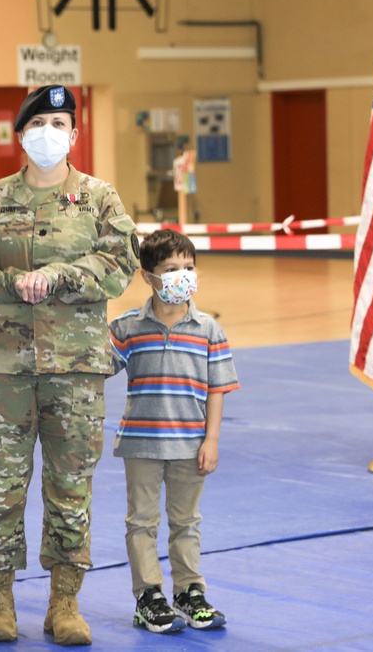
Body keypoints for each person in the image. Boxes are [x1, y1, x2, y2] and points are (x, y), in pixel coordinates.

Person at [0, 84, 140, 645]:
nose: (50, 132)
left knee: (70, 484)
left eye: (61, 122)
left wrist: (59, 277)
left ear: (75, 134)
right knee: (0, 484)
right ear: (22, 134)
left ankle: (65, 602)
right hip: (4, 367)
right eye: (41, 122)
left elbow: (117, 264)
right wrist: (13, 284)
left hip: (75, 366)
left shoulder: (101, 199)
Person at [107, 229, 239, 634]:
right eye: (171, 269)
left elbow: (218, 388)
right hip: (141, 445)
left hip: (189, 445)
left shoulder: (208, 329)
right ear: (148, 276)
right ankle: (148, 596)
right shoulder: (128, 328)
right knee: (141, 522)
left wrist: (211, 439)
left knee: (186, 521)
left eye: (188, 267)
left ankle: (189, 592)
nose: (182, 275)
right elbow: (96, 370)